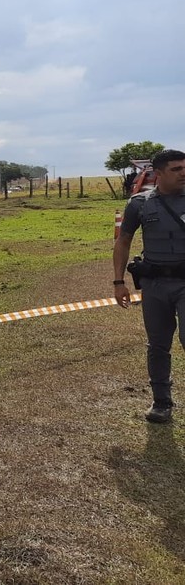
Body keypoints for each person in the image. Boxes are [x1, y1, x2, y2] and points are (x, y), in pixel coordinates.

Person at [113, 148, 185, 423]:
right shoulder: (139, 204)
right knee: (157, 345)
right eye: (176, 169)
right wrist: (119, 282)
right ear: (158, 173)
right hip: (154, 285)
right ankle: (161, 402)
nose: (183, 173)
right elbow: (123, 242)